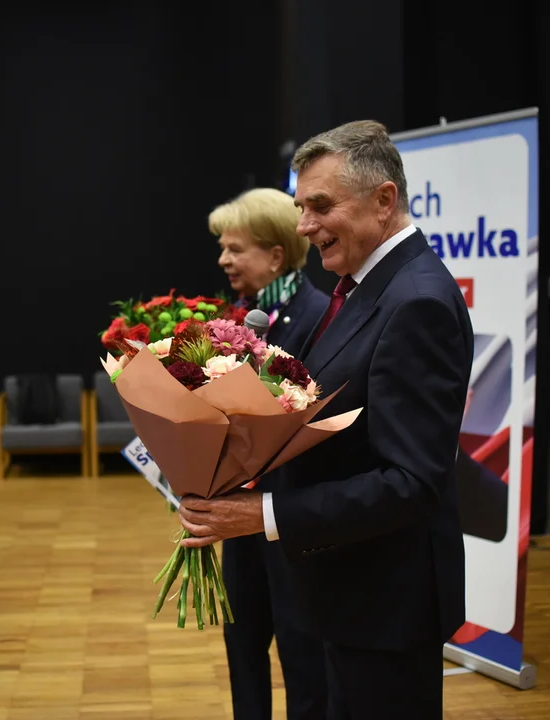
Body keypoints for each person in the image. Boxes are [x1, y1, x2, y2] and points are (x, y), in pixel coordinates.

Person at [178, 120, 474, 718]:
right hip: (349, 594)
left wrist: (260, 514)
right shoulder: (365, 286)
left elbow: (411, 483)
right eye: (300, 207)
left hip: (385, 608)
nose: (305, 224)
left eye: (320, 206)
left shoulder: (415, 301)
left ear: (383, 200)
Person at [208, 188, 330, 720]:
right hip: (239, 520)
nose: (223, 260)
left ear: (276, 256)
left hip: (291, 522)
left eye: (235, 249)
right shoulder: (240, 316)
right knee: (243, 648)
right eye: (223, 248)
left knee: (303, 659)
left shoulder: (320, 316)